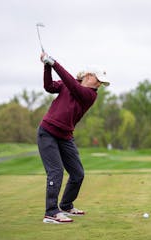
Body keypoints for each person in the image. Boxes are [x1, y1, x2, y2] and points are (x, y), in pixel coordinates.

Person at [37, 52, 110, 224]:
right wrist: (47, 66)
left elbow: (71, 84)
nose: (99, 84)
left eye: (101, 82)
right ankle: (51, 212)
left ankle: (66, 205)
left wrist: (54, 63)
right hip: (47, 132)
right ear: (89, 76)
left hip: (65, 136)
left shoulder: (91, 95)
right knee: (55, 172)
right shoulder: (68, 84)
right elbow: (48, 86)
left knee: (78, 173)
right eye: (98, 79)